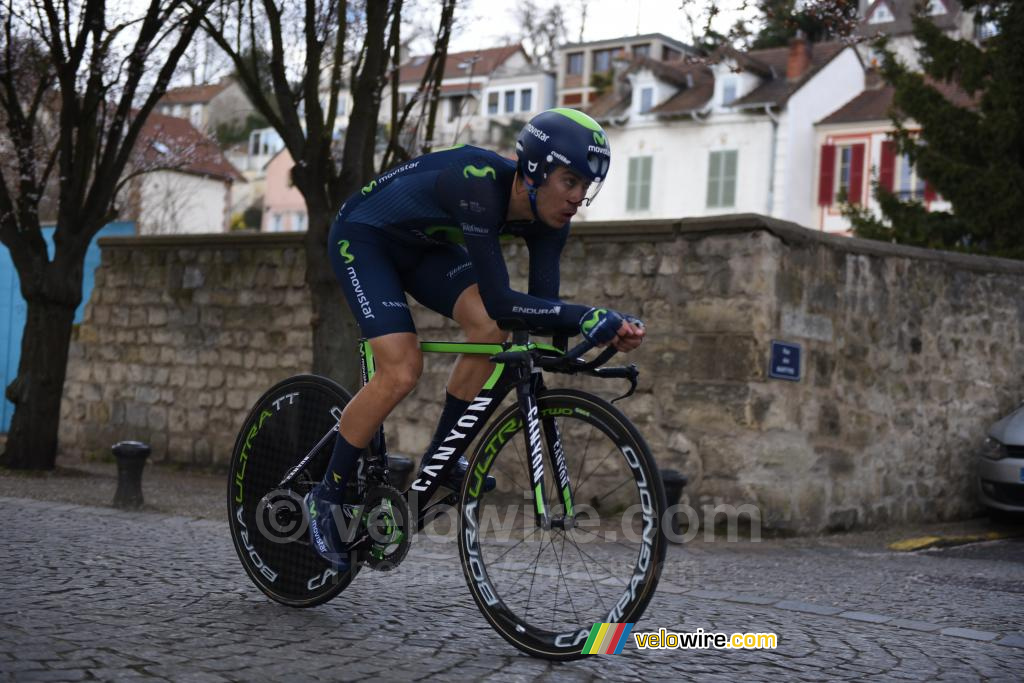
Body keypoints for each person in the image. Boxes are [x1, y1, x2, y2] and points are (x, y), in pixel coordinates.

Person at [305, 108, 645, 568]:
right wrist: (587, 315)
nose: (577, 197)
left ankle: (440, 460)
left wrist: (605, 329)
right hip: (364, 236)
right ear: (535, 170)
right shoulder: (478, 183)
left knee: (490, 330)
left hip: (423, 247)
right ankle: (327, 496)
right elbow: (504, 298)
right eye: (570, 180)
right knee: (402, 369)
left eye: (587, 186)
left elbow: (540, 319)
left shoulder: (551, 223)